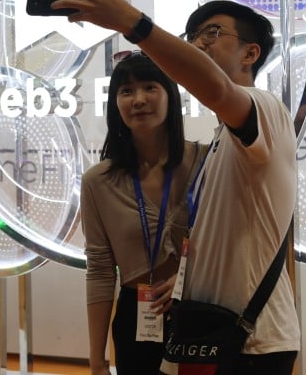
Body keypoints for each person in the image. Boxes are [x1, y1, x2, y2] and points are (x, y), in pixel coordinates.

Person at [53, 0, 300, 374]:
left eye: (213, 32)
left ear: (250, 53)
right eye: (193, 35)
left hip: (249, 339)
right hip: (204, 331)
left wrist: (132, 22)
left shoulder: (263, 108)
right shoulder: (221, 145)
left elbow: (218, 90)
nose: (199, 42)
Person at [81, 52, 203, 375]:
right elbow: (100, 271)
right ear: (115, 104)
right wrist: (96, 360)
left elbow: (231, 239)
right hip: (135, 321)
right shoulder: (98, 182)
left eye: (150, 87)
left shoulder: (206, 163)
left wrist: (188, 278)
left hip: (199, 311)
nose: (138, 100)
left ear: (170, 96)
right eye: (126, 91)